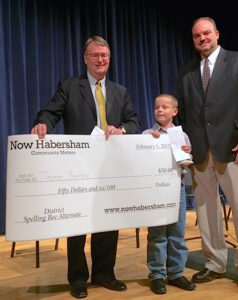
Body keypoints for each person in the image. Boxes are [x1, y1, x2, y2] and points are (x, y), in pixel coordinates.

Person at [31, 36, 141, 298]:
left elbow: (134, 120)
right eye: (95, 55)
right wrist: (43, 123)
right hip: (78, 167)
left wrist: (122, 129)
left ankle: (104, 273)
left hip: (110, 166)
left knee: (108, 221)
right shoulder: (69, 86)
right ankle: (78, 278)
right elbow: (50, 112)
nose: (101, 59)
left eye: (105, 55)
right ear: (85, 58)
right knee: (77, 225)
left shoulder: (120, 91)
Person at [177, 17, 238, 293]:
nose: (202, 38)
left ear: (217, 34)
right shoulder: (187, 71)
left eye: (206, 33)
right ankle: (215, 263)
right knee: (206, 212)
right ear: (193, 40)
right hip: (201, 154)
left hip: (233, 150)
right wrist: (184, 143)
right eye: (196, 36)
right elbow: (189, 114)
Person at [142, 94, 196, 294]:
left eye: (165, 107)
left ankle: (176, 273)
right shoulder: (148, 133)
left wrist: (187, 152)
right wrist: (149, 143)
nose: (160, 110)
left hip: (177, 186)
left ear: (174, 111)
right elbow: (141, 157)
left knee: (177, 232)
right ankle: (156, 274)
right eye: (157, 107)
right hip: (156, 189)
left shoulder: (181, 135)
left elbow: (188, 159)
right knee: (157, 234)